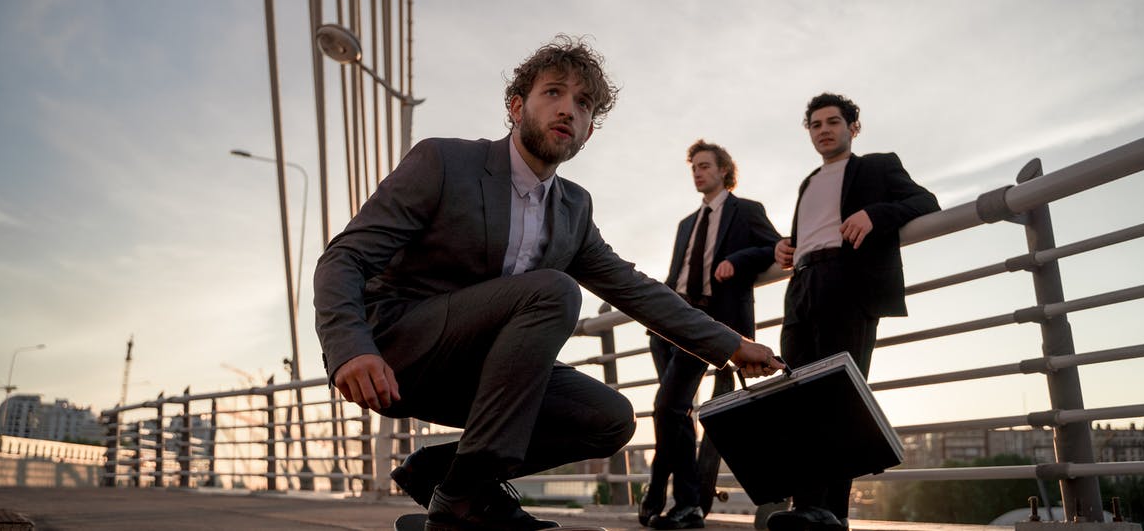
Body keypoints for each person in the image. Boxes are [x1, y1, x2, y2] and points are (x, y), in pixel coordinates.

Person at [313, 35, 783, 531]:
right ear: (517, 106)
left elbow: (636, 289)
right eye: (553, 93)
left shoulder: (573, 209)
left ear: (589, 131)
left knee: (609, 418)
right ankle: (464, 500)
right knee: (555, 289)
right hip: (397, 352)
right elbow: (344, 258)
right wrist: (350, 348)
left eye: (583, 104)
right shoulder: (444, 163)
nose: (568, 110)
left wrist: (732, 345)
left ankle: (446, 476)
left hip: (489, 376)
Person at [769, 93, 939, 531]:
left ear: (852, 128)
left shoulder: (878, 166)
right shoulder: (807, 182)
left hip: (848, 282)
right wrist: (787, 246)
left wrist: (875, 214)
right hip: (802, 285)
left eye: (833, 122)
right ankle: (811, 506)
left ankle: (827, 509)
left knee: (838, 395)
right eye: (815, 124)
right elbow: (810, 231)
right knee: (798, 395)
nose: (823, 129)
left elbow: (926, 202)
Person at [642, 140, 780, 529]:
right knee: (675, 412)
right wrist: (654, 316)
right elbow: (675, 276)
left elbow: (775, 247)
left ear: (724, 171)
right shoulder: (686, 223)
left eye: (705, 166)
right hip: (670, 324)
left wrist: (736, 261)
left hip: (710, 324)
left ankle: (679, 501)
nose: (698, 173)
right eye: (694, 168)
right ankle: (677, 501)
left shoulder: (746, 210)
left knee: (668, 408)